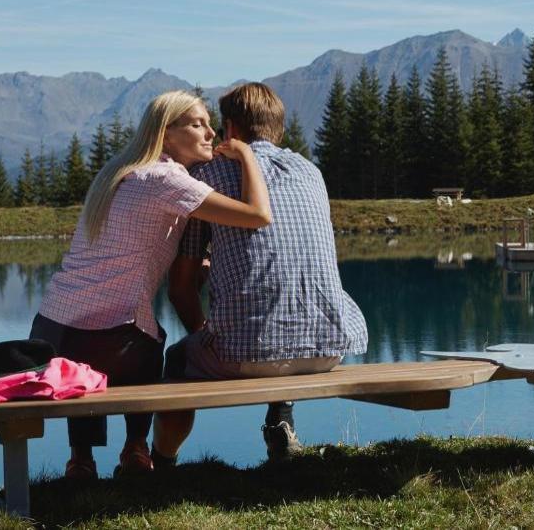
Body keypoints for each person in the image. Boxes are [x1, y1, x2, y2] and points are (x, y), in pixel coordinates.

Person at [30, 90, 272, 480]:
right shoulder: (167, 178)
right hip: (112, 342)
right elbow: (257, 215)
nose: (212, 133)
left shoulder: (118, 173)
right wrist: (246, 155)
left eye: (211, 124)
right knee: (148, 335)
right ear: (166, 132)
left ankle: (81, 459)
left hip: (50, 331)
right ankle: (136, 449)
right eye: (198, 124)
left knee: (93, 342)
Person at [152, 82, 367, 466]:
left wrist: (203, 334)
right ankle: (281, 423)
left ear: (232, 129)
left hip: (247, 353)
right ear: (278, 127)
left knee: (177, 357)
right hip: (330, 347)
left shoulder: (207, 176)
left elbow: (181, 289)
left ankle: (162, 462)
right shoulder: (310, 171)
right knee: (283, 315)